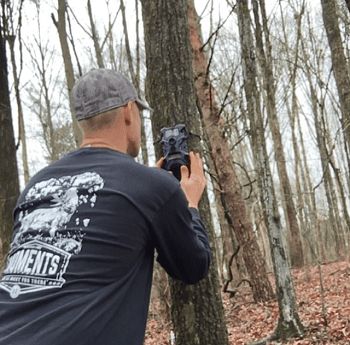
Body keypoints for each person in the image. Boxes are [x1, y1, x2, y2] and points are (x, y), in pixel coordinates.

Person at [0, 68, 210, 345]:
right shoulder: (152, 186)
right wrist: (189, 203)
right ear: (127, 112)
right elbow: (193, 267)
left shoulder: (36, 185)